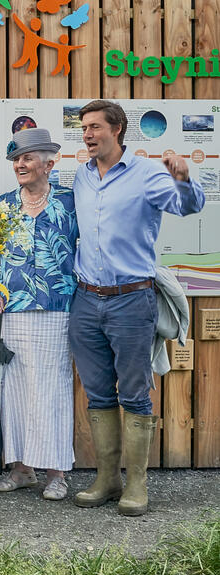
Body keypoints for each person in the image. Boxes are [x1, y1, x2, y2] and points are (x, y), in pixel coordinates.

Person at [69, 99, 204, 516]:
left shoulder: (147, 175)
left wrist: (183, 179)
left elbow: (188, 206)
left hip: (131, 300)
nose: (88, 134)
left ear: (118, 129)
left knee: (134, 394)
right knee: (96, 393)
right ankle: (107, 480)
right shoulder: (82, 176)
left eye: (95, 127)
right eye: (84, 128)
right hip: (86, 300)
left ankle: (137, 485)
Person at [0, 129, 78, 501]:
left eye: (28, 158)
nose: (20, 165)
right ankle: (21, 469)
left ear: (49, 163)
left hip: (58, 305)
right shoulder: (2, 204)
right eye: (16, 159)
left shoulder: (71, 202)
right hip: (12, 308)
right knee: (12, 387)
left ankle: (57, 473)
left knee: (51, 387)